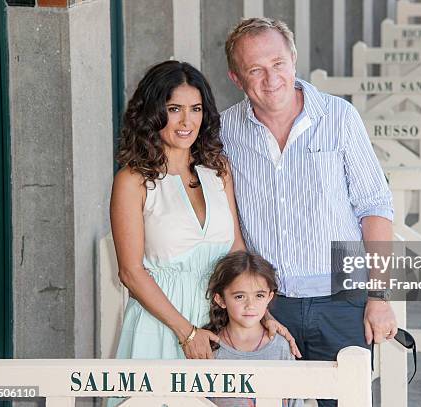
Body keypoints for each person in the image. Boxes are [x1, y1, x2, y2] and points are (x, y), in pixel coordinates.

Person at [219, 18, 397, 406]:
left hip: (342, 301)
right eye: (255, 69)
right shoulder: (225, 131)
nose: (271, 78)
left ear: (294, 60)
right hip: (266, 306)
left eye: (278, 63)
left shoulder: (339, 117)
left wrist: (379, 296)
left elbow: (375, 208)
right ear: (236, 78)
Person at [109, 60, 298, 370]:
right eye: (174, 109)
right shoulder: (133, 180)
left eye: (195, 109)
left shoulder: (218, 169)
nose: (187, 121)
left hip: (220, 321)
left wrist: (264, 317)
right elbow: (130, 273)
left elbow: (236, 249)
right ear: (152, 113)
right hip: (161, 326)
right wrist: (187, 332)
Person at [205, 251, 304, 407]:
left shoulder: (280, 346)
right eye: (239, 296)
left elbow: (293, 401)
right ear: (221, 300)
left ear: (269, 297)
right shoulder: (211, 348)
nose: (250, 305)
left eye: (259, 295)